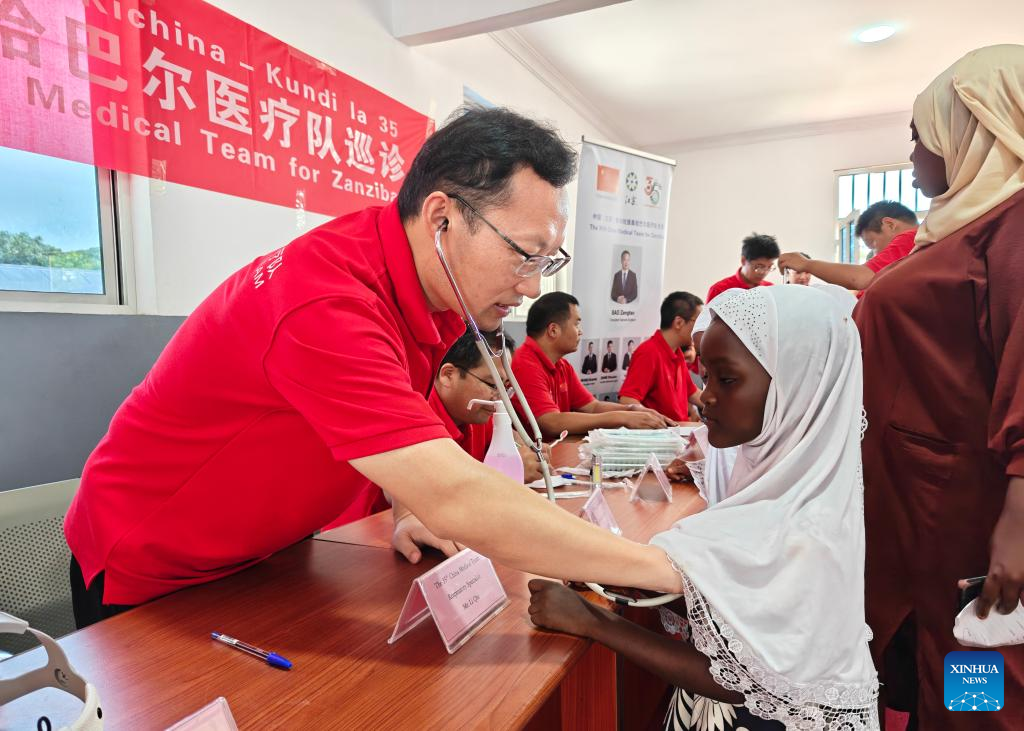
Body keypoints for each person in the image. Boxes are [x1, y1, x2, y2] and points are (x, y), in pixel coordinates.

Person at [64, 107, 685, 627]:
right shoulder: (327, 303)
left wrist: (408, 507)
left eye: (546, 260)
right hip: (152, 561)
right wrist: (663, 571)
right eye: (525, 255)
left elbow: (406, 425)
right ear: (442, 218)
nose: (528, 287)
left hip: (264, 555)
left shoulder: (419, 283)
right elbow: (457, 492)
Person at [529, 285, 879, 730]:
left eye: (725, 380)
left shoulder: (801, 524)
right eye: (705, 378)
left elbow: (741, 681)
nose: (704, 396)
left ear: (796, 392)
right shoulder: (777, 484)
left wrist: (596, 621)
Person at [854, 45, 1024, 729]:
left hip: (974, 517)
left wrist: (1018, 520)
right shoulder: (965, 226)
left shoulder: (1015, 225)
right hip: (928, 504)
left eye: (923, 134)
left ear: (975, 128)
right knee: (939, 667)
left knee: (975, 684)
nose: (917, 151)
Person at [510, 292, 673, 437]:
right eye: (576, 324)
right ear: (553, 330)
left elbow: (592, 407)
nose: (580, 331)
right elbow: (551, 422)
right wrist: (621, 417)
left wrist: (631, 410)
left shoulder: (562, 365)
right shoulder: (524, 364)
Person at [778, 201, 918, 295]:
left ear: (890, 225)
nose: (875, 255)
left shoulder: (911, 238)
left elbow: (860, 279)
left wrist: (806, 264)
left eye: (874, 245)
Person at [619, 292, 704, 422]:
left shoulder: (677, 352)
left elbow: (692, 392)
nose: (700, 328)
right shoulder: (648, 352)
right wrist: (657, 420)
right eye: (697, 322)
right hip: (661, 435)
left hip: (678, 431)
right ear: (679, 322)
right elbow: (627, 400)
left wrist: (721, 407)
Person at [705, 233, 779, 303]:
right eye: (759, 267)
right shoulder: (720, 290)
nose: (764, 272)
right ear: (743, 260)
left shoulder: (770, 289)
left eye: (769, 267)